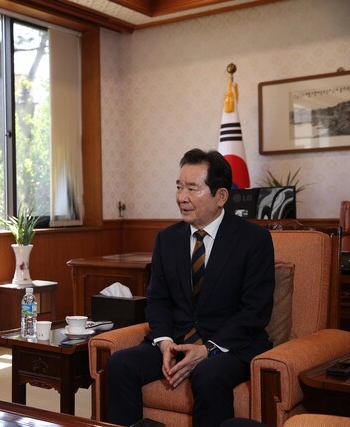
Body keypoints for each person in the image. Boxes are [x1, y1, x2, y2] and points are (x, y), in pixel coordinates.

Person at [107, 148, 275, 427]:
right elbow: (157, 299)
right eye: (179, 187)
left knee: (208, 374)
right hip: (177, 339)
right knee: (120, 364)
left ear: (220, 196)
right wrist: (163, 342)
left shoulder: (253, 240)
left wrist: (208, 349)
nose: (181, 197)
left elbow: (255, 311)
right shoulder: (167, 239)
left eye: (192, 188)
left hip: (230, 346)